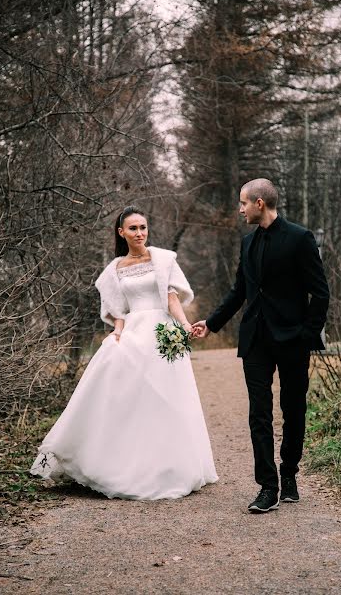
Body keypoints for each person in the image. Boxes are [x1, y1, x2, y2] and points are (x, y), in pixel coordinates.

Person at [30, 206, 218, 500]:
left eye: (143, 227)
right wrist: (116, 334)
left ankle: (172, 467)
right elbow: (119, 312)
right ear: (121, 232)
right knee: (127, 396)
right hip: (134, 332)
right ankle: (113, 460)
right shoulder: (114, 269)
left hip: (162, 333)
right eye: (133, 228)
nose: (140, 233)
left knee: (169, 399)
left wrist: (184, 327)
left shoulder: (162, 259)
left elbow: (171, 300)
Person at [192, 179, 329, 513]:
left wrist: (306, 334)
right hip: (255, 339)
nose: (239, 209)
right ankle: (268, 487)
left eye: (242, 203)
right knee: (259, 413)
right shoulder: (247, 242)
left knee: (294, 409)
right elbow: (239, 290)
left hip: (292, 339)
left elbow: (320, 292)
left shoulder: (300, 238)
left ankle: (290, 473)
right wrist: (211, 323)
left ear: (259, 203)